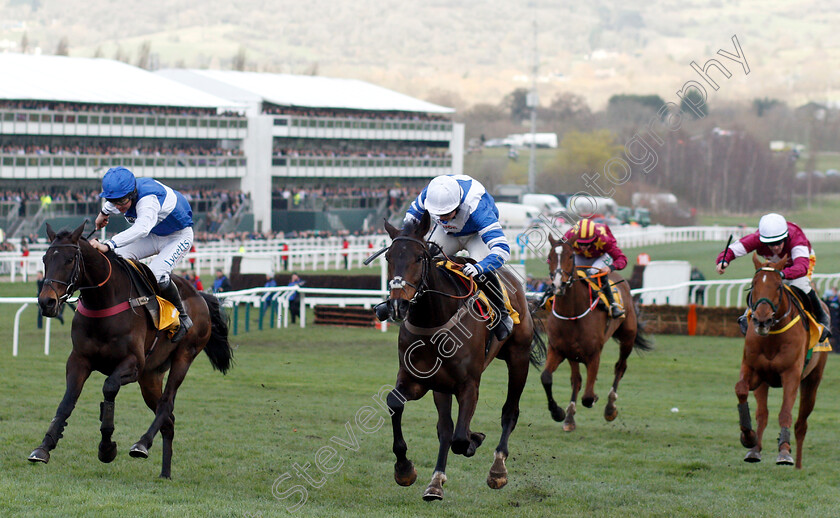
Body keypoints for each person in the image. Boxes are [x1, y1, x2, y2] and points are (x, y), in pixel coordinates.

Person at [403, 174, 514, 342]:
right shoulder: (429, 194)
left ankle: (502, 314)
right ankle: (402, 303)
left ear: (458, 204)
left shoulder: (477, 207)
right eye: (438, 214)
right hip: (448, 233)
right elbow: (409, 223)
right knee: (423, 260)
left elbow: (502, 250)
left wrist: (479, 267)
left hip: (476, 234)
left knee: (481, 272)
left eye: (447, 213)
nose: (442, 218)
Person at [89, 167, 194, 342]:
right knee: (116, 260)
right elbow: (112, 201)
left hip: (178, 236)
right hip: (155, 234)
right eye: (114, 202)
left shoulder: (148, 200)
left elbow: (141, 229)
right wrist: (103, 214)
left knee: (156, 275)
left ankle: (183, 318)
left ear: (133, 193)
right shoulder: (121, 197)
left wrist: (108, 244)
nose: (119, 207)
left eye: (121, 202)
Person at [716, 213, 830, 341]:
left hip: (799, 262)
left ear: (785, 238)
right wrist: (723, 260)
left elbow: (802, 267)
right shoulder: (757, 238)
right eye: (771, 244)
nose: (775, 247)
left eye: (779, 242)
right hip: (775, 264)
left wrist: (782, 274)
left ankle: (822, 317)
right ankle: (747, 314)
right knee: (763, 285)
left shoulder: (797, 239)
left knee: (799, 285)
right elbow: (733, 249)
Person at [562, 218, 628, 318]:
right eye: (580, 243)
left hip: (601, 256)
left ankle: (612, 305)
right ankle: (550, 297)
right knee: (567, 271)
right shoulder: (569, 235)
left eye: (587, 243)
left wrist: (610, 267)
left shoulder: (604, 239)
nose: (583, 246)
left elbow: (622, 259)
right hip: (581, 256)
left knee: (593, 271)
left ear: (594, 238)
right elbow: (556, 252)